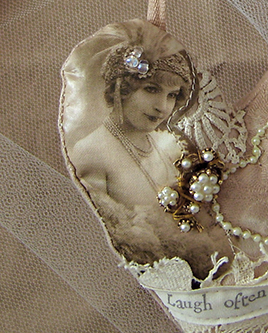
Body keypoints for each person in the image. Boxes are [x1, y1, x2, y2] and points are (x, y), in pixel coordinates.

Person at [68, 29, 232, 278]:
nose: (162, 107)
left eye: (171, 95)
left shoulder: (169, 145)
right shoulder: (90, 152)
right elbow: (98, 240)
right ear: (121, 89)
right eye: (151, 89)